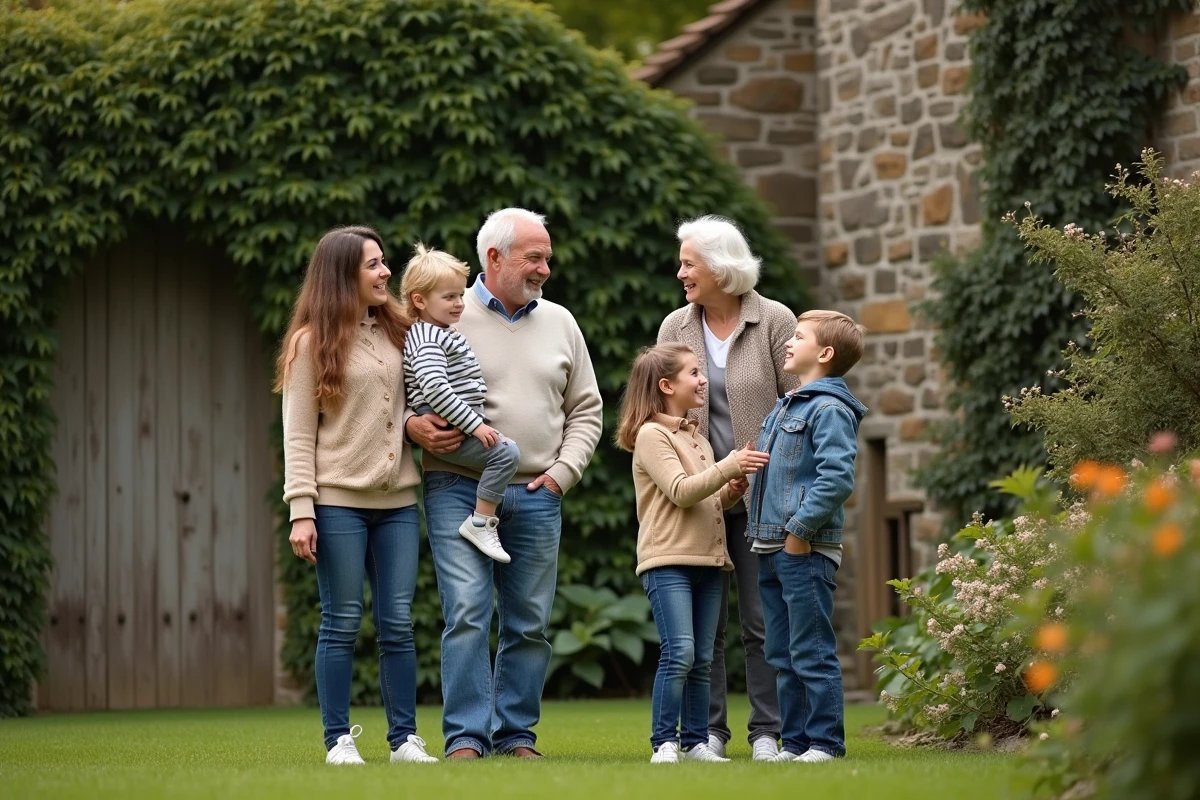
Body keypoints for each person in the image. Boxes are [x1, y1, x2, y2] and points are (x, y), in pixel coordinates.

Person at [407, 208, 603, 759]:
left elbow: (586, 410)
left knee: (530, 622)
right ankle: (467, 738)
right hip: (457, 487)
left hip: (539, 493)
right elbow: (399, 389)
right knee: (467, 611)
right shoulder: (445, 312)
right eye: (533, 257)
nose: (545, 267)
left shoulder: (561, 322)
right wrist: (409, 426)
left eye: (547, 257)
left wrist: (562, 476)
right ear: (494, 258)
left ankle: (516, 735)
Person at [277, 225, 438, 766]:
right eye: (373, 264)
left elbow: (415, 398)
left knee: (397, 622)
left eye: (384, 261)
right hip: (337, 501)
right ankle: (337, 740)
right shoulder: (310, 343)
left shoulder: (400, 330)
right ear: (342, 274)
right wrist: (302, 510)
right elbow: (298, 433)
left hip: (396, 504)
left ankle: (404, 741)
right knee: (341, 621)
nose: (385, 272)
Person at [657, 214, 799, 761]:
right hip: (701, 495)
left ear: (720, 268)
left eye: (689, 263)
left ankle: (768, 732)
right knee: (704, 623)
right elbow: (661, 403)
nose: (681, 272)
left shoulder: (775, 320)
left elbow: (799, 405)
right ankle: (706, 732)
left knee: (762, 620)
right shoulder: (675, 327)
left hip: (765, 494)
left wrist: (777, 476)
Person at [615, 343, 770, 764]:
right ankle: (664, 742)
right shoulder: (652, 435)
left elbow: (705, 498)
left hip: (710, 560)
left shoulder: (696, 435)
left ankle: (696, 742)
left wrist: (728, 490)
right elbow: (681, 491)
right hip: (668, 562)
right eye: (694, 373)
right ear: (666, 386)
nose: (704, 380)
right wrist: (730, 466)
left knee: (703, 658)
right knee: (680, 651)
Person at [747, 310, 867, 763]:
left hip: (804, 548)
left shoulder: (829, 408)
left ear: (825, 353)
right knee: (781, 651)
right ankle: (794, 744)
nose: (788, 342)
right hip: (770, 545)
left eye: (798, 336)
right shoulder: (788, 404)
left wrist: (799, 531)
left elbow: (836, 478)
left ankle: (825, 743)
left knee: (811, 649)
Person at [399, 243, 520, 563]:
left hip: (459, 420)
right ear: (419, 300)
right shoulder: (427, 337)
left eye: (459, 295)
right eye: (448, 297)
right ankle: (481, 521)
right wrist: (475, 425)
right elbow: (436, 389)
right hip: (447, 423)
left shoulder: (440, 331)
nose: (458, 303)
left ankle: (482, 518)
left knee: (505, 452)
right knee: (506, 453)